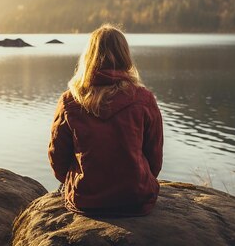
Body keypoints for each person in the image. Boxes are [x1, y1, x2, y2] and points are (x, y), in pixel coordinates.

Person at [48, 24, 164, 216]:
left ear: (89, 56)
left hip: (86, 200)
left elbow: (57, 157)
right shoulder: (144, 99)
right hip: (136, 199)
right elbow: (155, 158)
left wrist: (77, 183)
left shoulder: (70, 100)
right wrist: (141, 180)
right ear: (125, 56)